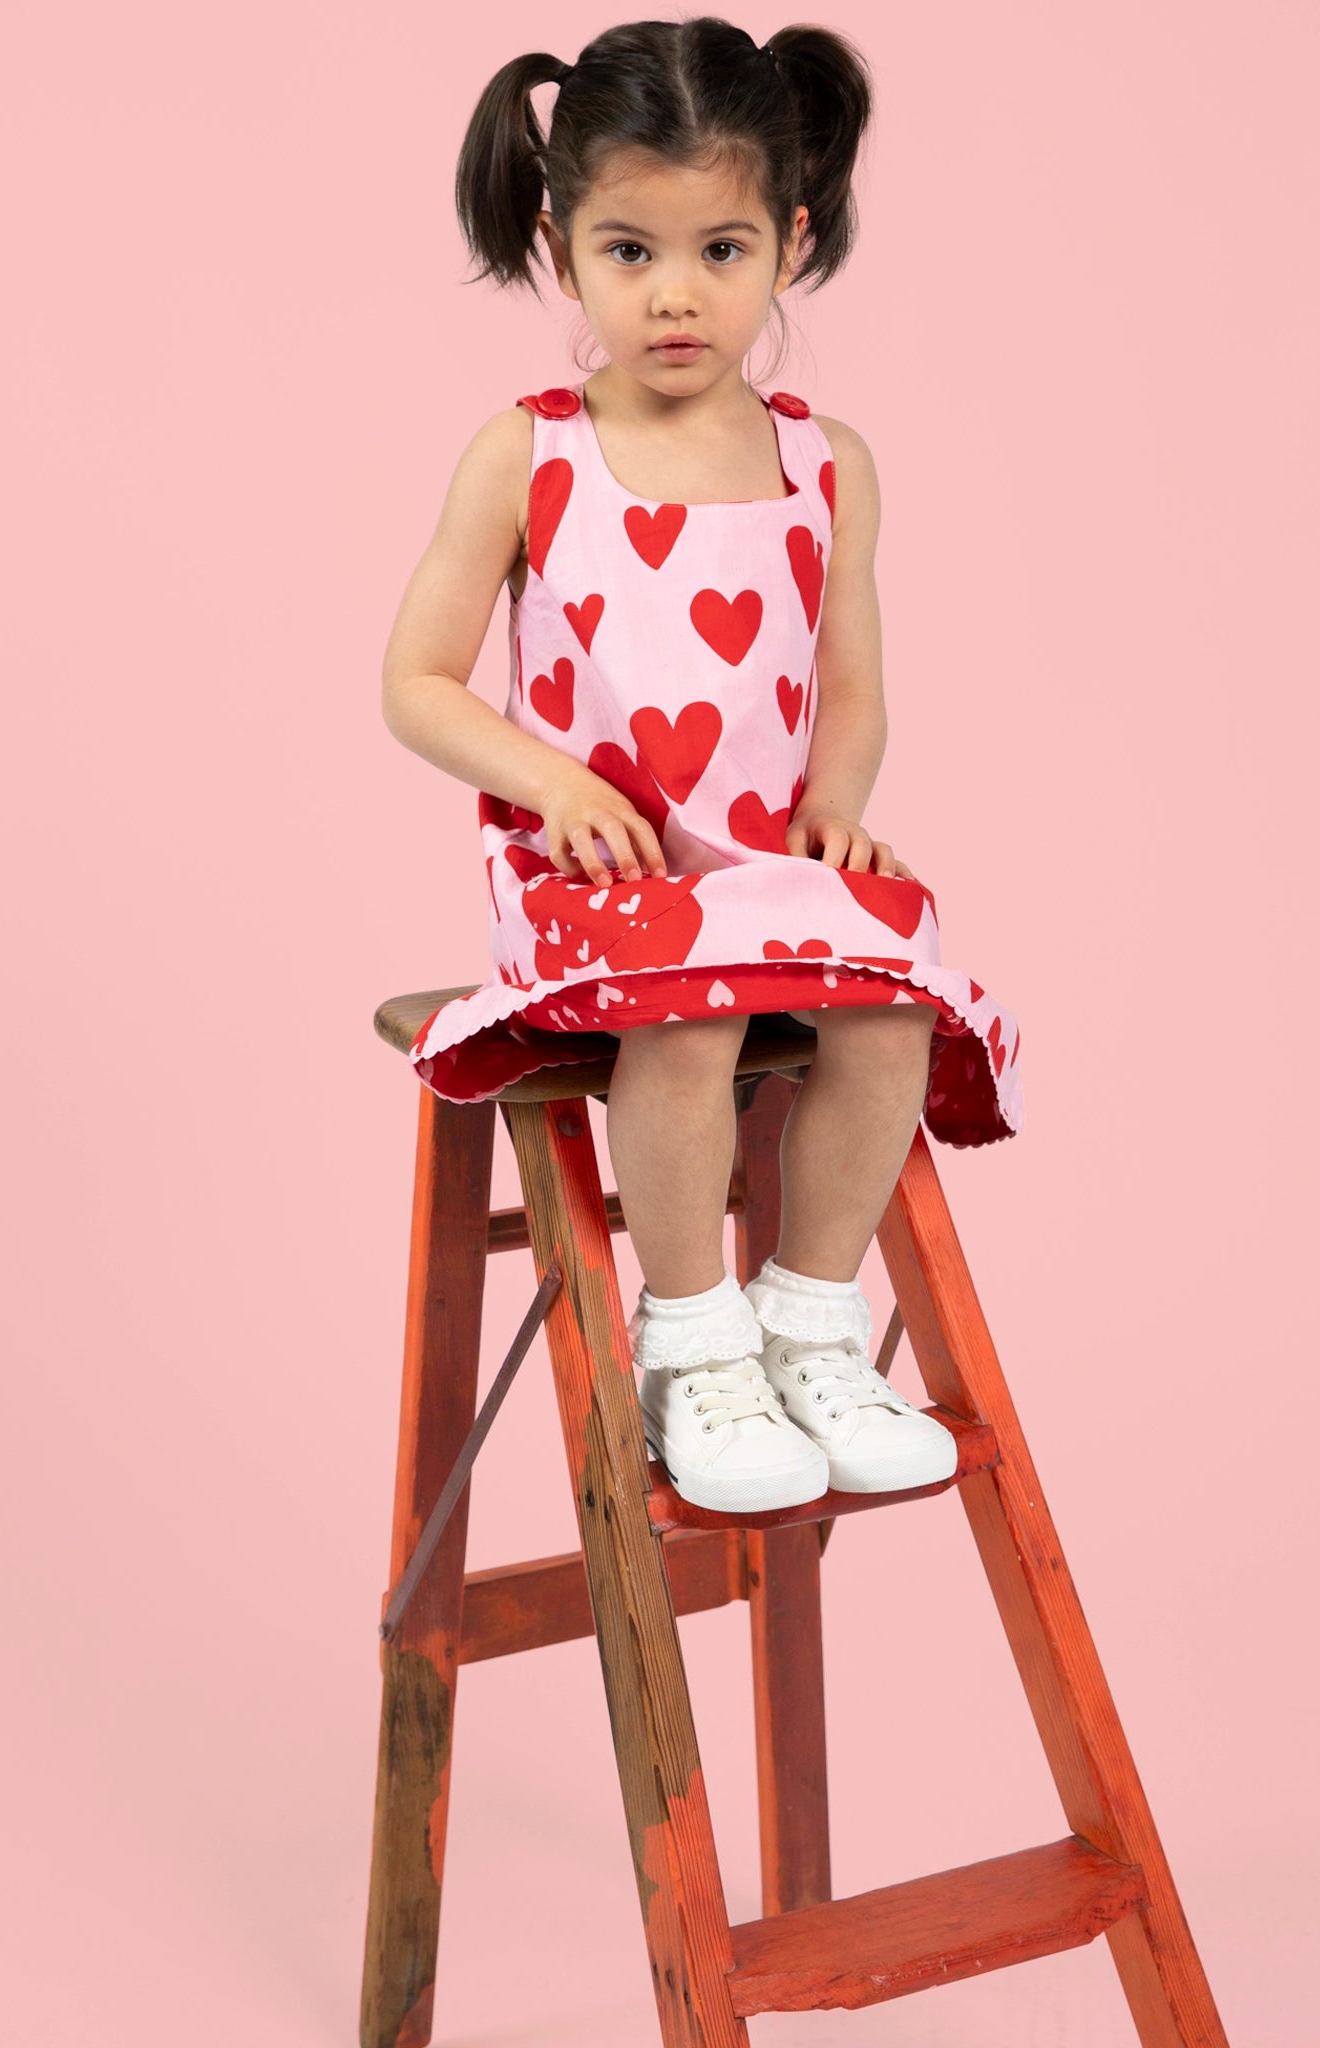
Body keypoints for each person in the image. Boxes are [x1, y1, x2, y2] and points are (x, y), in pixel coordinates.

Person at [381, 16, 1024, 1516]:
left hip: (767, 865)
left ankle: (808, 1321)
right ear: (561, 246)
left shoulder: (826, 461)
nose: (675, 295)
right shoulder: (530, 452)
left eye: (721, 250)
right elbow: (415, 683)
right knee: (693, 1019)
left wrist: (838, 807)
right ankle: (692, 1348)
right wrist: (552, 783)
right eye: (628, 252)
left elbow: (850, 686)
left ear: (790, 241)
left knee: (886, 998)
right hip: (600, 876)